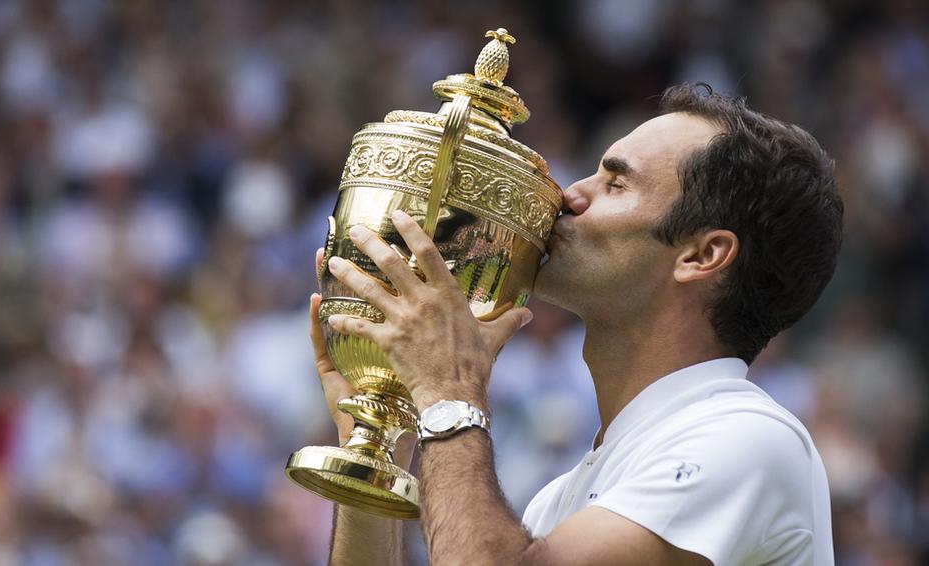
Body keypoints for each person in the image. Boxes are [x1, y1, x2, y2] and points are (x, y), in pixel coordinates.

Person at [311, 84, 843, 565]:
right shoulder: (559, 502)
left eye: (615, 183)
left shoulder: (746, 439)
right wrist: (379, 443)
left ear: (702, 255)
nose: (568, 195)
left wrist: (449, 393)